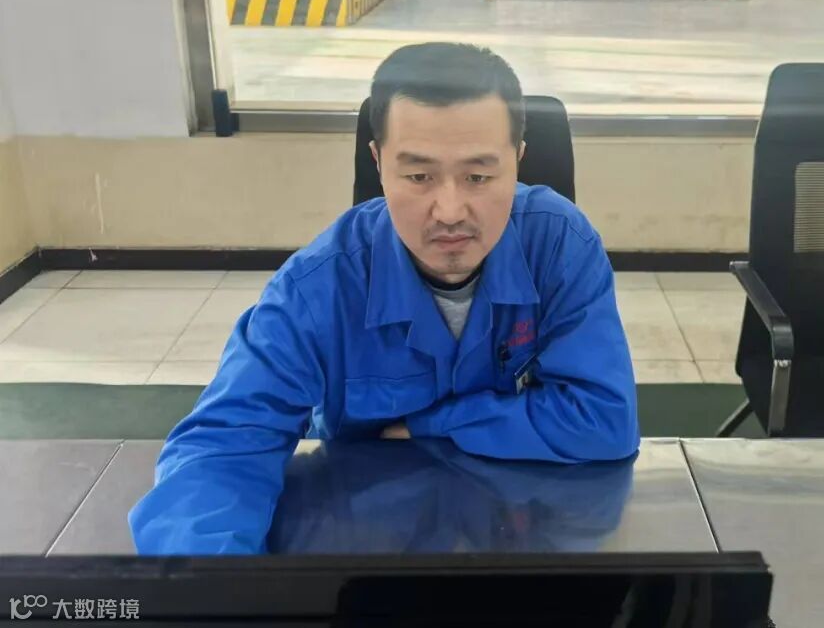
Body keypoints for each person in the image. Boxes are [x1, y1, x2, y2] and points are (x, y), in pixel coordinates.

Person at [129, 42, 640, 554]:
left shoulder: (559, 246)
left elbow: (604, 421)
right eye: (418, 176)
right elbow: (223, 447)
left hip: (517, 527)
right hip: (371, 532)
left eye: (478, 177)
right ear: (378, 162)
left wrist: (426, 426)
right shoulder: (319, 287)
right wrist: (207, 583)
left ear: (518, 161)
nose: (449, 211)